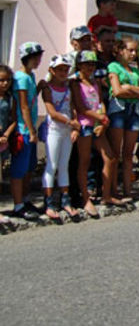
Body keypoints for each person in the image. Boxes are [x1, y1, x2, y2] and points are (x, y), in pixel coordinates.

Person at [71, 50, 123, 213]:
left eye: (92, 64)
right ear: (79, 66)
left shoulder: (95, 83)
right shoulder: (75, 83)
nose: (90, 67)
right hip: (85, 125)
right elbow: (80, 107)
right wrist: (99, 117)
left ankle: (106, 194)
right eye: (87, 64)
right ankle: (86, 198)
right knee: (84, 162)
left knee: (110, 158)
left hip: (97, 125)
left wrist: (103, 117)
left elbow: (100, 102)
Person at [107, 36, 139, 200]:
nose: (133, 54)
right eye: (130, 50)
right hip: (119, 109)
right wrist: (135, 91)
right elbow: (117, 91)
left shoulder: (136, 71)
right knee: (115, 152)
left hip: (134, 111)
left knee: (128, 153)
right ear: (120, 50)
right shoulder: (114, 66)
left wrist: (129, 87)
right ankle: (112, 189)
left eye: (135, 51)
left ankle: (127, 189)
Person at [41, 55, 81, 221]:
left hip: (67, 132)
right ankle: (49, 203)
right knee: (52, 165)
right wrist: (70, 122)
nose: (63, 72)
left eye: (65, 69)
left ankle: (65, 200)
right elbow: (52, 112)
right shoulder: (47, 89)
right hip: (54, 131)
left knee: (64, 165)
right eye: (59, 69)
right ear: (52, 70)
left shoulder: (68, 89)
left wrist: (75, 127)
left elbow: (72, 108)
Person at [10, 42, 44, 221]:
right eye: (36, 57)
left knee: (29, 167)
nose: (38, 60)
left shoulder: (30, 76)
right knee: (19, 168)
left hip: (29, 128)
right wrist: (31, 130)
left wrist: (39, 87)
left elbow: (30, 101)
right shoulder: (21, 78)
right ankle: (18, 205)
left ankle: (24, 198)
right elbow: (23, 106)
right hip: (23, 129)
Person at [0, 64, 18, 226]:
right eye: (1, 80)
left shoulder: (9, 99)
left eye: (7, 80)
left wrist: (6, 134)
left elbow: (13, 120)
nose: (4, 84)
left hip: (2, 141)